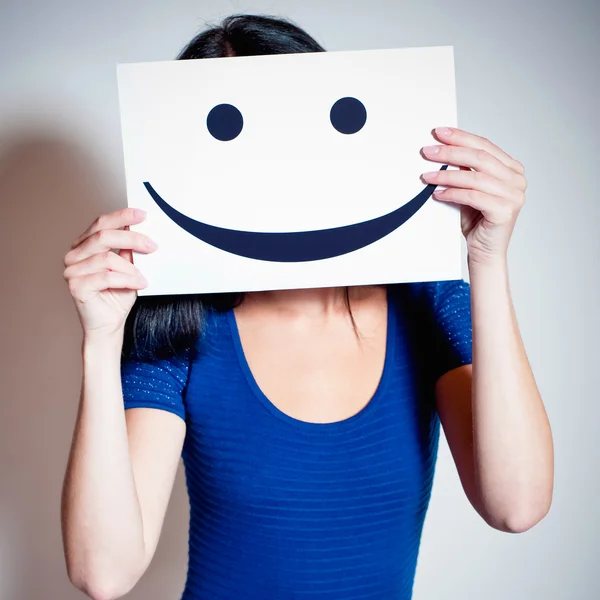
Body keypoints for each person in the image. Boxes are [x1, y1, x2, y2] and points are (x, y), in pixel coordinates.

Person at [60, 14, 554, 600]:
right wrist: (99, 340)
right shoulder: (182, 326)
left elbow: (517, 505)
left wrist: (488, 260)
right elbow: (103, 573)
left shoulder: (425, 301)